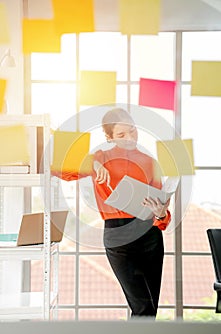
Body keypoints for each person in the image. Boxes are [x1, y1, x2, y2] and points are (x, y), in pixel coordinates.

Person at [53, 108, 171, 318]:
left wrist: (161, 214)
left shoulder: (150, 162)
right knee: (142, 307)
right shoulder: (100, 157)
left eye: (133, 131)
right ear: (108, 137)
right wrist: (93, 163)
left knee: (150, 308)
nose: (130, 138)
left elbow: (162, 218)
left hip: (150, 236)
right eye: (121, 135)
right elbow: (58, 168)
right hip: (118, 236)